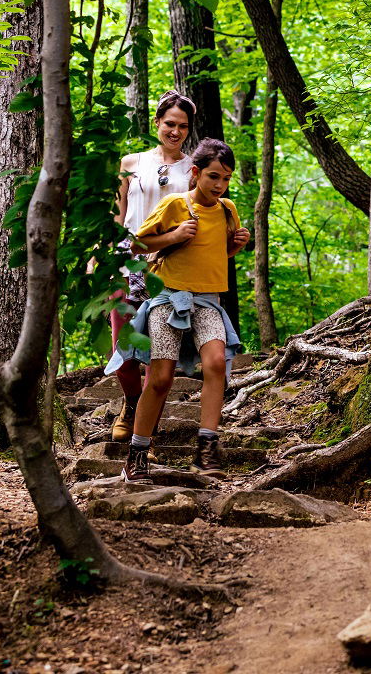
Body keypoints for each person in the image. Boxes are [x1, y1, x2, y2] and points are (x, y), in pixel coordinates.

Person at [123, 139, 251, 481]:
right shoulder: (174, 205)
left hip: (209, 301)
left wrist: (235, 247)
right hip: (168, 298)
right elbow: (137, 243)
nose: (219, 185)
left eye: (225, 179)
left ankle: (206, 450)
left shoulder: (228, 209)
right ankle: (137, 453)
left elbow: (213, 255)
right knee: (161, 378)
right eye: (213, 177)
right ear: (195, 173)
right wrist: (175, 235)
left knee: (215, 364)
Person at [106, 91, 197, 442]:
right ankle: (131, 404)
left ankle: (148, 429)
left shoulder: (193, 171)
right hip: (128, 261)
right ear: (157, 122)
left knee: (160, 354)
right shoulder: (131, 163)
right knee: (123, 348)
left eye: (183, 127)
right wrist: (100, 257)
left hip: (170, 267)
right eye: (170, 123)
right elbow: (117, 214)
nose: (175, 131)